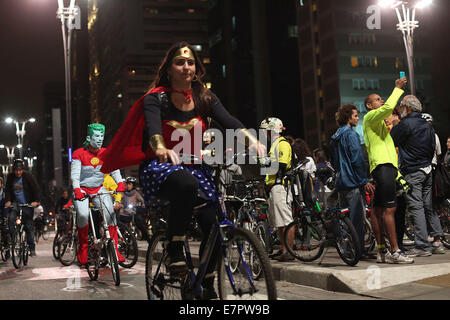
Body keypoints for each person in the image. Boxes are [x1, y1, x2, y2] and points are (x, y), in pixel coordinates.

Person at [99, 42, 265, 299]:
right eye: (180, 62)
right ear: (169, 69)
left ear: (196, 68)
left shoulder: (205, 97)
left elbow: (230, 121)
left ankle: (206, 285)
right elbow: (154, 131)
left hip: (195, 168)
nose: (186, 67)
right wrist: (161, 148)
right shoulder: (155, 98)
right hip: (160, 167)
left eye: (190, 62)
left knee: (215, 224)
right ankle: (174, 247)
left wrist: (252, 141)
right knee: (185, 185)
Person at [363, 77, 413, 264]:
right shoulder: (370, 117)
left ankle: (382, 250)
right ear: (369, 106)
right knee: (390, 209)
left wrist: (398, 175)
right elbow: (386, 109)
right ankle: (395, 251)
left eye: (381, 98)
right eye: (377, 99)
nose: (381, 101)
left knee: (377, 209)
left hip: (384, 167)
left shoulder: (378, 124)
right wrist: (397, 89)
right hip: (383, 167)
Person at [391, 96, 446, 255]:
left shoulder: (406, 123)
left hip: (413, 171)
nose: (400, 109)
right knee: (428, 206)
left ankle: (422, 245)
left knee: (416, 207)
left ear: (408, 108)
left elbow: (392, 140)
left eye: (401, 106)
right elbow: (432, 148)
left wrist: (395, 124)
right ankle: (436, 242)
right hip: (427, 170)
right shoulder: (427, 125)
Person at [71, 123, 127, 265]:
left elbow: (114, 170)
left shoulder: (106, 152)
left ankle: (114, 248)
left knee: (110, 213)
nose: (100, 138)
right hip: (82, 189)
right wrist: (77, 189)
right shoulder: (78, 153)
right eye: (97, 136)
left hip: (99, 188)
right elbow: (75, 176)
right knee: (83, 215)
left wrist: (120, 182)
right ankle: (83, 246)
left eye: (102, 135)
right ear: (89, 138)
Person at [330, 104, 375, 259]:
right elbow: (357, 159)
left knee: (345, 220)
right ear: (348, 117)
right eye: (355, 116)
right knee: (357, 220)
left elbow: (335, 162)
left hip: (341, 182)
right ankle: (359, 251)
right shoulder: (351, 135)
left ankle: (347, 249)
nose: (357, 118)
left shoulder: (336, 136)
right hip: (353, 182)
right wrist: (363, 180)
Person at [260, 117, 295, 262]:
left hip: (281, 186)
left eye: (266, 131)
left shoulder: (282, 144)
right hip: (275, 187)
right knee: (279, 222)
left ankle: (290, 252)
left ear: (271, 130)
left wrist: (262, 160)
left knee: (286, 221)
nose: (265, 134)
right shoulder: (275, 145)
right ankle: (284, 249)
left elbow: (280, 166)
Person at [4, 159, 40, 257]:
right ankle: (13, 238)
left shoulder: (28, 176)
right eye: (16, 170)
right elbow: (7, 190)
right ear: (13, 170)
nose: (18, 172)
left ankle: (31, 248)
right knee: (11, 219)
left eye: (20, 170)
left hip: (27, 204)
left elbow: (36, 189)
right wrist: (8, 200)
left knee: (28, 226)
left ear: (22, 170)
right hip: (15, 204)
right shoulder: (11, 177)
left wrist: (36, 201)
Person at [120, 177, 150, 242]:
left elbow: (142, 200)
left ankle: (148, 239)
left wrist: (143, 204)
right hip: (125, 212)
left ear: (133, 185)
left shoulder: (136, 193)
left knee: (140, 224)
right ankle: (120, 240)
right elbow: (119, 199)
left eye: (130, 184)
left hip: (133, 212)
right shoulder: (123, 193)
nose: (128, 185)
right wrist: (120, 204)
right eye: (127, 184)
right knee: (122, 226)